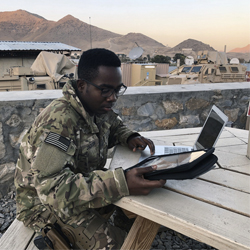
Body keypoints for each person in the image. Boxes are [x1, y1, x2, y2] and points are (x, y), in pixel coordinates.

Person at [14, 48, 166, 249]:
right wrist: (120, 182)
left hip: (77, 185)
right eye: (105, 89)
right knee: (113, 243)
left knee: (141, 201)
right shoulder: (59, 121)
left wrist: (129, 136)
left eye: (117, 89)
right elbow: (52, 191)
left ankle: (124, 224)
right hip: (41, 205)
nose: (112, 98)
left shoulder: (95, 107)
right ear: (82, 85)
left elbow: (114, 125)